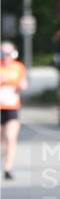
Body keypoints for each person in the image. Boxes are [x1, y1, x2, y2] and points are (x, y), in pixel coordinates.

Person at [1, 42, 28, 180]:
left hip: (12, 108)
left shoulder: (18, 67)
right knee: (2, 141)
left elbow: (24, 83)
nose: (6, 57)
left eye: (9, 53)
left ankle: (8, 168)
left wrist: (21, 86)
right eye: (3, 53)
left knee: (11, 138)